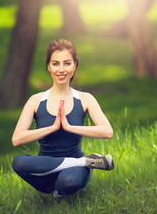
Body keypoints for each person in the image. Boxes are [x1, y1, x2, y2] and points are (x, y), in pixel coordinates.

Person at [11, 39, 114, 198]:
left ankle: (75, 171)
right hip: (45, 169)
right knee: (18, 162)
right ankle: (86, 162)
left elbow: (107, 131)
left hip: (74, 174)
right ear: (48, 66)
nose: (61, 69)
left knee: (68, 183)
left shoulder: (85, 99)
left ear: (75, 65)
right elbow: (17, 139)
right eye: (55, 64)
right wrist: (52, 127)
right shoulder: (36, 100)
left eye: (67, 63)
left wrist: (69, 127)